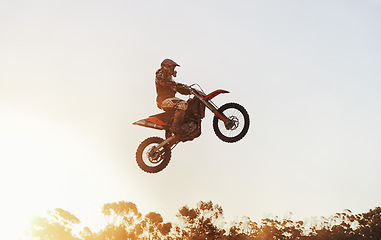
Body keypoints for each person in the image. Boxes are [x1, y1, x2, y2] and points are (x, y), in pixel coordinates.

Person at [155, 59, 190, 134]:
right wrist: (176, 84)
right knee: (182, 104)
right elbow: (163, 82)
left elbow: (179, 89)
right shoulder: (160, 74)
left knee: (188, 107)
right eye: (172, 67)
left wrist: (189, 90)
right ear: (166, 67)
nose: (174, 70)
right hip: (163, 100)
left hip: (170, 100)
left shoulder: (170, 79)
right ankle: (175, 126)